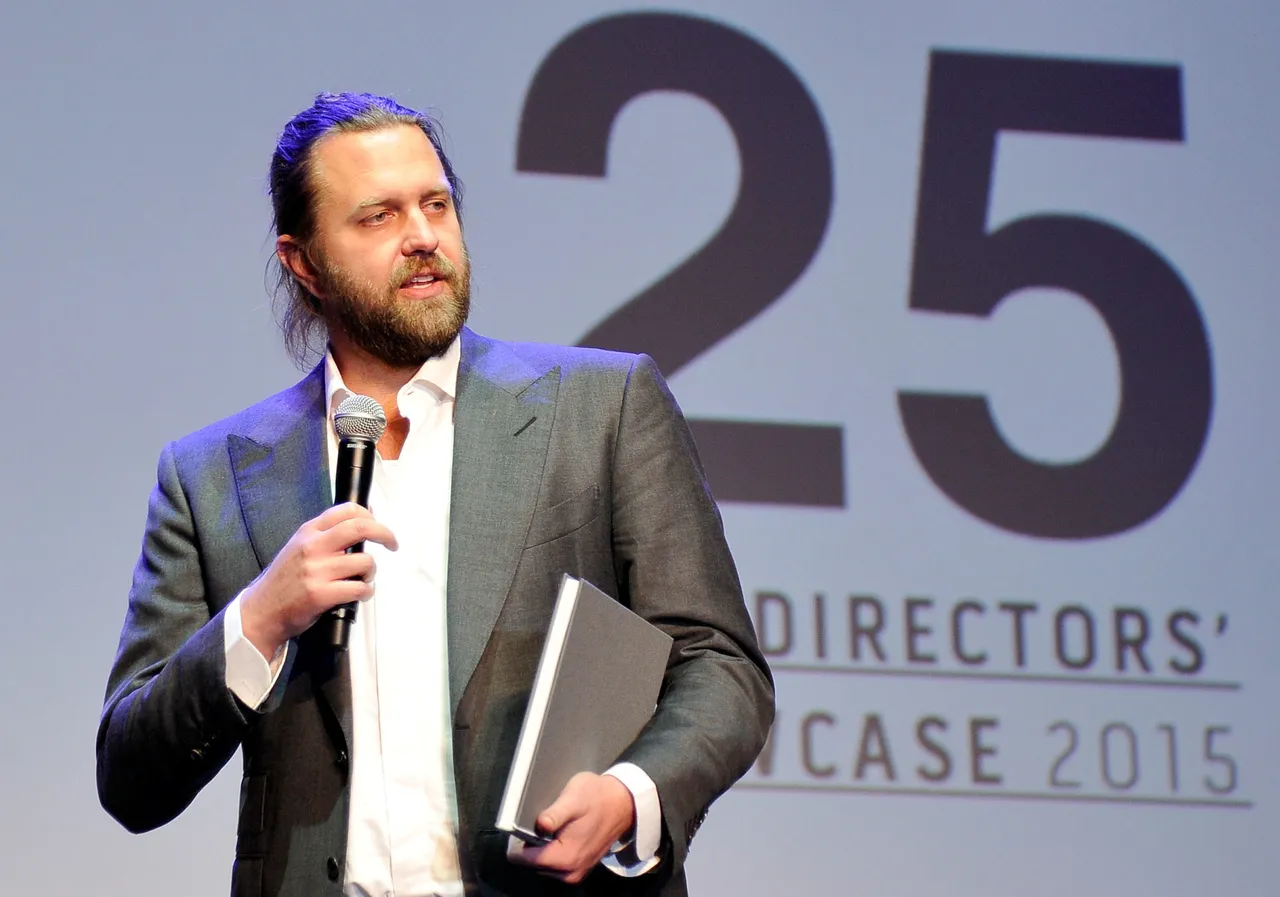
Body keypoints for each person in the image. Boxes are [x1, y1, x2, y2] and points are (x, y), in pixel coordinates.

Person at [96, 92, 774, 897]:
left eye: (435, 204)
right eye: (377, 217)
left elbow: (721, 663)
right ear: (303, 261)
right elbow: (130, 778)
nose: (422, 237)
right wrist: (260, 619)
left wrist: (632, 791)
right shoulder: (210, 474)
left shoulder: (603, 407)